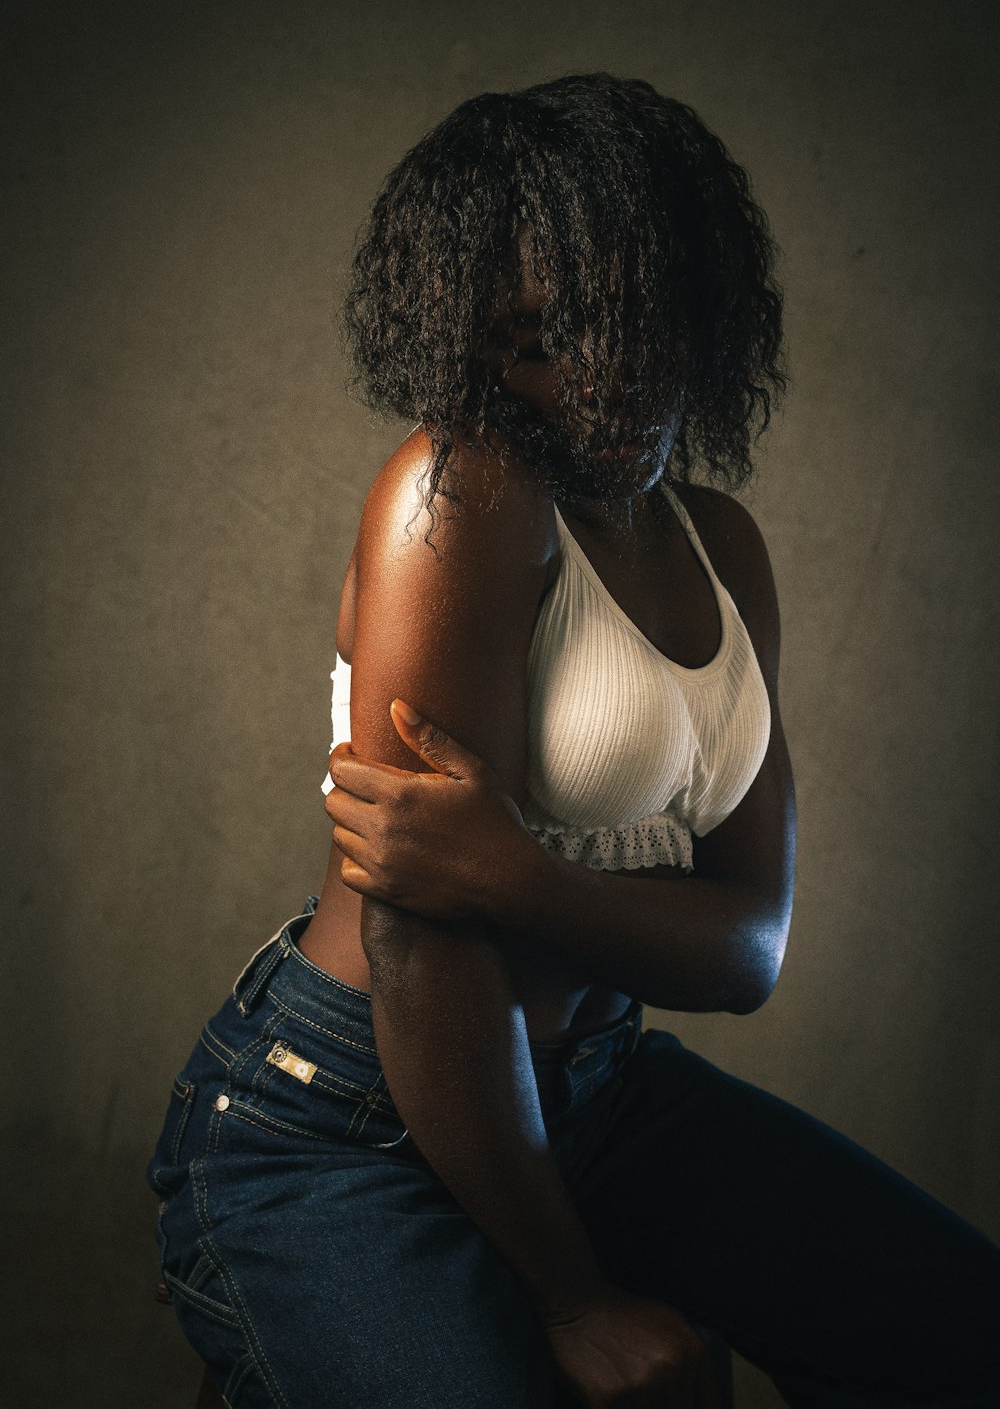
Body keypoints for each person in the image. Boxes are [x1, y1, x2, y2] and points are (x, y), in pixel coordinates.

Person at [147, 73, 1000, 1409]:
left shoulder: (726, 548)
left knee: (961, 1330)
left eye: (615, 322)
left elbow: (751, 947)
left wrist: (517, 875)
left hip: (596, 1088)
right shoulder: (466, 492)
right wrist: (575, 1300)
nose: (587, 382)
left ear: (693, 291)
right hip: (346, 1119)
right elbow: (416, 947)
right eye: (532, 345)